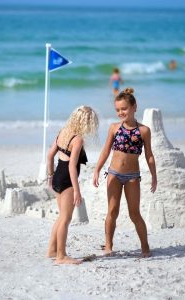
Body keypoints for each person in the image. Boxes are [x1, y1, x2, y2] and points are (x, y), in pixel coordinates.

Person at [93, 87, 157, 258]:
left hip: (132, 177)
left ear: (134, 107)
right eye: (118, 110)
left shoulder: (143, 131)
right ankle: (108, 245)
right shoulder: (114, 128)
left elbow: (149, 155)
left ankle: (145, 247)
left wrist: (154, 176)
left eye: (124, 108)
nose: (121, 112)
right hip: (113, 174)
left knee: (134, 213)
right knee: (112, 211)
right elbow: (105, 151)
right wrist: (97, 170)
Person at [46, 106, 99, 264]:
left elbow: (50, 156)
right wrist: (77, 190)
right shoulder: (77, 139)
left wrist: (50, 177)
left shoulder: (63, 132)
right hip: (67, 179)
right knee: (66, 218)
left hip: (57, 176)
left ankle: (52, 250)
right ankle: (61, 256)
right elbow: (71, 167)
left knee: (61, 216)